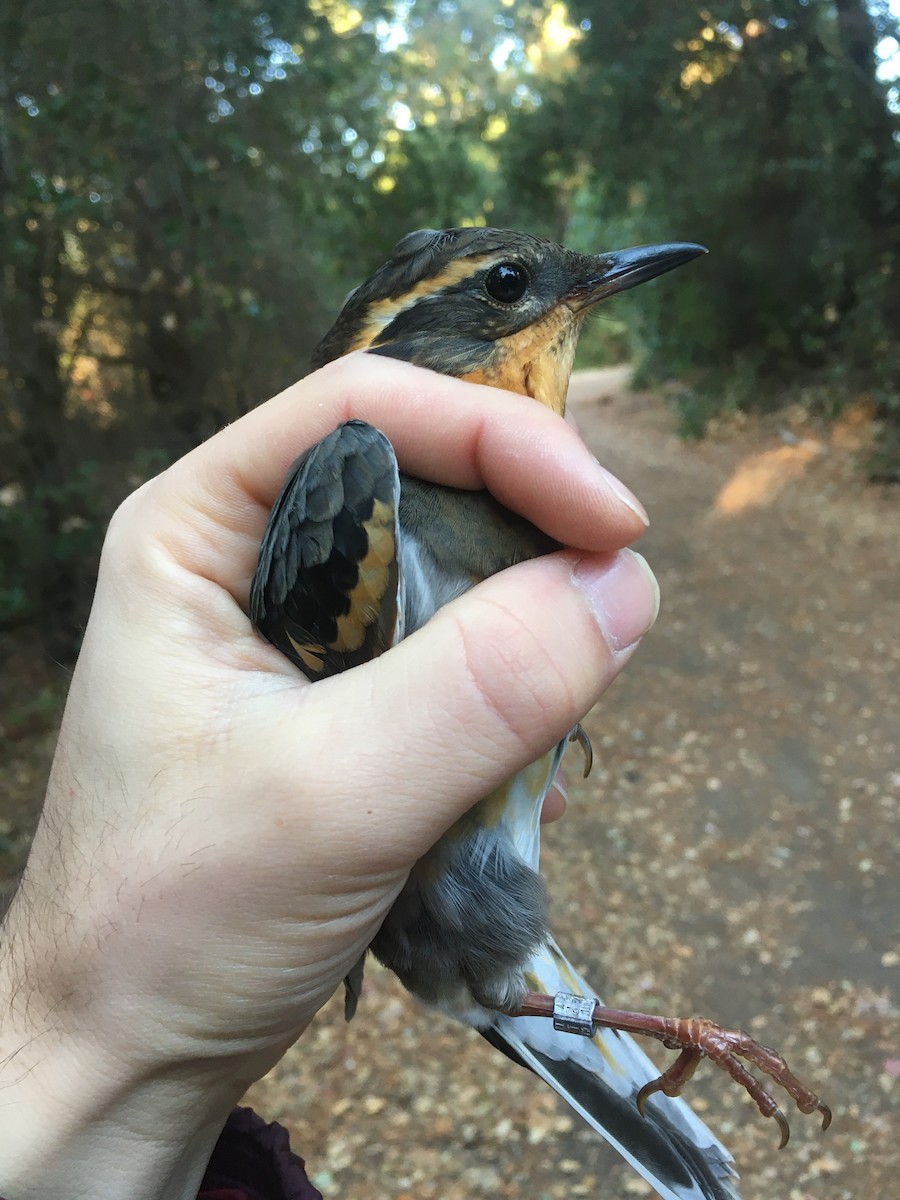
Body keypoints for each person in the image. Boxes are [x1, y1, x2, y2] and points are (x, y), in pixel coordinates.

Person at [0, 353, 659, 1200]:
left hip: (449, 906)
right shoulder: (358, 481)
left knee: (522, 986)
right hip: (443, 920)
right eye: (504, 290)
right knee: (512, 987)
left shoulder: (450, 501)